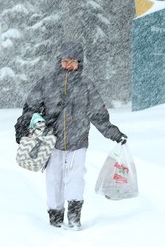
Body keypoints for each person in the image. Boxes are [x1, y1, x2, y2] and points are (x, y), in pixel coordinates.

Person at [15, 41, 127, 229]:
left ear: (80, 63)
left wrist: (113, 133)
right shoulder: (47, 82)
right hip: (51, 141)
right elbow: (31, 106)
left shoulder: (86, 85)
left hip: (78, 140)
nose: (69, 65)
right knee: (53, 179)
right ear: (59, 61)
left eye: (73, 61)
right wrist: (23, 125)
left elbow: (98, 114)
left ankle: (74, 218)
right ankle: (55, 218)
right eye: (65, 61)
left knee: (75, 179)